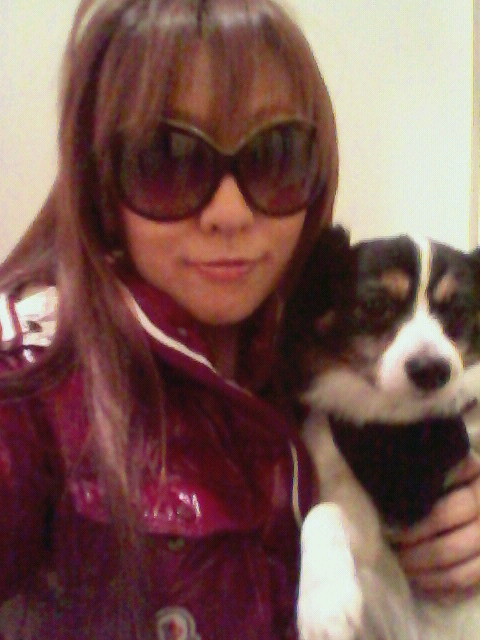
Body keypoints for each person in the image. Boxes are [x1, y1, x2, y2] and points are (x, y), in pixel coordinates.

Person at [0, 1, 478, 639]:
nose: (229, 213)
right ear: (102, 180)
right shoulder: (29, 379)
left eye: (275, 154)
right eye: (167, 156)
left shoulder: (319, 351)